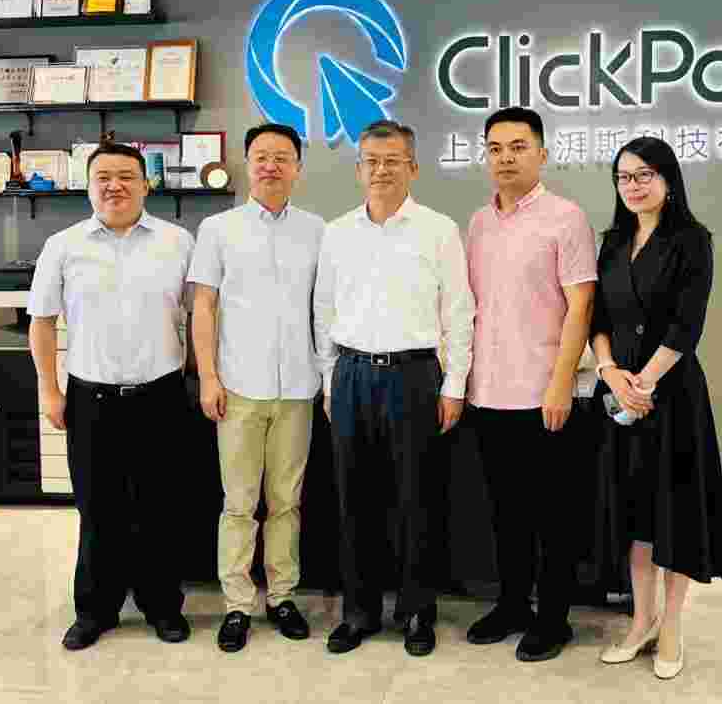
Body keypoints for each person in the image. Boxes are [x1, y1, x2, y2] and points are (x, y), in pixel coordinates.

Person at [313, 119, 475, 657]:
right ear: (358, 169)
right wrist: (329, 381)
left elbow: (458, 311)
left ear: (413, 168)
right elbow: (324, 311)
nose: (381, 170)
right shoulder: (337, 233)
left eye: (392, 161)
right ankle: (358, 612)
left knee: (417, 499)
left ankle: (417, 611)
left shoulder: (439, 230)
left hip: (415, 375)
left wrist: (454, 385)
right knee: (354, 499)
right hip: (351, 375)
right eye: (371, 161)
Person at [28, 143, 195, 650]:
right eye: (103, 177)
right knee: (97, 509)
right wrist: (49, 389)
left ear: (146, 185)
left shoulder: (177, 241)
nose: (114, 185)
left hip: (161, 395)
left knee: (160, 508)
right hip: (90, 398)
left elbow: (202, 314)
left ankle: (162, 606)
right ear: (88, 186)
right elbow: (41, 322)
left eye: (126, 176)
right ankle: (95, 611)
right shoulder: (63, 245)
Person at [592, 136, 722, 679]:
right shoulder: (612, 243)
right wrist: (611, 373)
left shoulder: (692, 241)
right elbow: (598, 321)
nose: (632, 186)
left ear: (668, 179)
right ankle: (641, 621)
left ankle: (671, 625)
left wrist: (645, 383)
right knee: (635, 516)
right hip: (620, 394)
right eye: (624, 177)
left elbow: (686, 325)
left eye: (643, 175)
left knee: (675, 515)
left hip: (672, 397)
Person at [465, 106, 597, 662]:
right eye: (495, 148)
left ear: (542, 154)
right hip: (489, 391)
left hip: (546, 394)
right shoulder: (478, 223)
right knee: (506, 512)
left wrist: (561, 384)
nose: (506, 158)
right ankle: (513, 604)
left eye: (518, 147)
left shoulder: (566, 218)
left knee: (553, 516)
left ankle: (554, 618)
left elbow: (581, 305)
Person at [189, 123, 324, 652]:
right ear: (248, 164)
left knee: (286, 501)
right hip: (239, 387)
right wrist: (208, 376)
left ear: (298, 168)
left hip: (298, 388)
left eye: (282, 157)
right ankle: (238, 604)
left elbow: (325, 307)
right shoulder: (218, 229)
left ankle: (282, 596)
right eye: (262, 156)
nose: (271, 165)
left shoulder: (317, 230)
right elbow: (204, 306)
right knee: (239, 503)